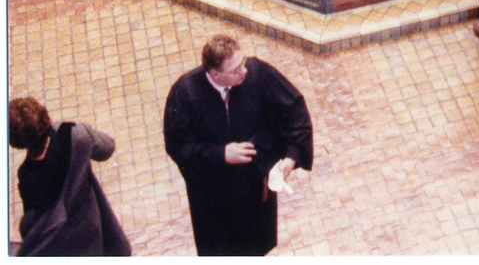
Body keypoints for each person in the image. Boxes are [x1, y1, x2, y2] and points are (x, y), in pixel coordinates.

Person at [163, 33, 313, 257]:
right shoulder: (185, 93)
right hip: (214, 200)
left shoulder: (257, 73)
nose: (244, 71)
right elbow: (178, 146)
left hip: (254, 189)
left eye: (242, 63)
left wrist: (292, 156)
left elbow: (294, 109)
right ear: (215, 74)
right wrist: (221, 154)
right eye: (235, 70)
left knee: (255, 248)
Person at [9, 95, 131, 255]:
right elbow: (107, 148)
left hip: (64, 244)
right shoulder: (74, 134)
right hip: (91, 225)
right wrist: (86, 130)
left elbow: (31, 225)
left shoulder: (27, 176)